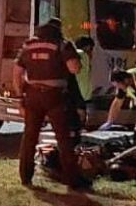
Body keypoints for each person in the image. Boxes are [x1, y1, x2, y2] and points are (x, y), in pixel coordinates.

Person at [14, 22, 87, 190]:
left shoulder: (28, 46)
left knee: (29, 137)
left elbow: (16, 73)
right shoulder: (62, 45)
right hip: (55, 97)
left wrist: (19, 97)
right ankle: (72, 179)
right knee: (63, 138)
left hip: (32, 96)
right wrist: (77, 61)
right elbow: (74, 68)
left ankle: (25, 176)